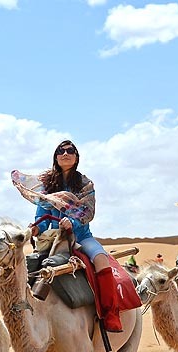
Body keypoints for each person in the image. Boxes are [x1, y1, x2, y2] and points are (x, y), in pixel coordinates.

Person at [26, 139, 123, 332]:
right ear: (56, 156)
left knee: (101, 259)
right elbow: (42, 215)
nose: (65, 153)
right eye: (60, 151)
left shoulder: (85, 185)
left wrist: (73, 223)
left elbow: (87, 213)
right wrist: (37, 228)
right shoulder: (46, 186)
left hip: (80, 236)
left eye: (70, 150)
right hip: (52, 237)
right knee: (28, 265)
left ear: (77, 157)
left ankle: (110, 313)